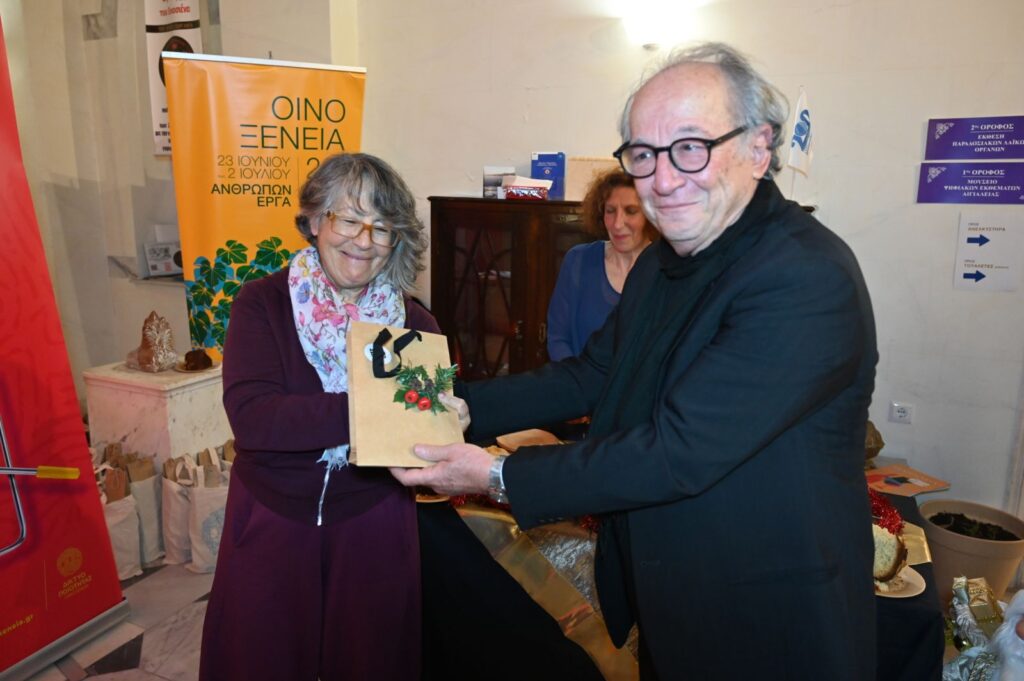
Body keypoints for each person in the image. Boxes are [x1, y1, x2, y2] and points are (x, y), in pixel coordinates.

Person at [393, 42, 878, 680]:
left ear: (759, 148)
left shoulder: (804, 274)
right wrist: (456, 408)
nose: (663, 180)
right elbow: (593, 373)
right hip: (674, 598)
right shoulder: (661, 263)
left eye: (691, 147)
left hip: (769, 615)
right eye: (644, 154)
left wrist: (496, 475)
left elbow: (679, 450)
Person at [200, 153, 436, 681]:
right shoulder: (262, 304)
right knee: (262, 658)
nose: (364, 240)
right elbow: (256, 420)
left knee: (370, 660)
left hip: (373, 520)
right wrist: (381, 408)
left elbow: (420, 434)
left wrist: (446, 417)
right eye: (349, 219)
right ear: (313, 220)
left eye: (381, 226)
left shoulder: (415, 323)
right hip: (272, 517)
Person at [546, 170, 656, 360]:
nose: (617, 224)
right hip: (577, 378)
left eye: (631, 211)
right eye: (610, 211)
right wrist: (576, 378)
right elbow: (558, 338)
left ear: (650, 214)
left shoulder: (669, 269)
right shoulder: (578, 260)